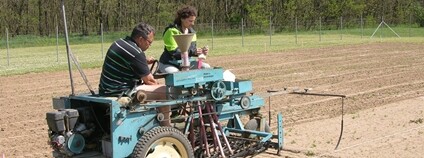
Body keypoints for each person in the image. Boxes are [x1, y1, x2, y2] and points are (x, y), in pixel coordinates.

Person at [98, 22, 170, 126]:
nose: (149, 46)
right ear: (141, 39)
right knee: (164, 91)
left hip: (106, 89)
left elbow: (127, 60)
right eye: (149, 42)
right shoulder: (136, 53)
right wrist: (159, 85)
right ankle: (167, 127)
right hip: (120, 93)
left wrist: (143, 61)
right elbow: (149, 81)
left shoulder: (119, 43)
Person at [158, 5, 210, 73]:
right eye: (190, 21)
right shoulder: (171, 31)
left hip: (186, 63)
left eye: (193, 21)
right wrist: (192, 52)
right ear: (182, 19)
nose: (193, 24)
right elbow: (174, 52)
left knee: (206, 67)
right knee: (177, 74)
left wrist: (200, 52)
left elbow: (192, 50)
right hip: (168, 63)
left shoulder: (192, 33)